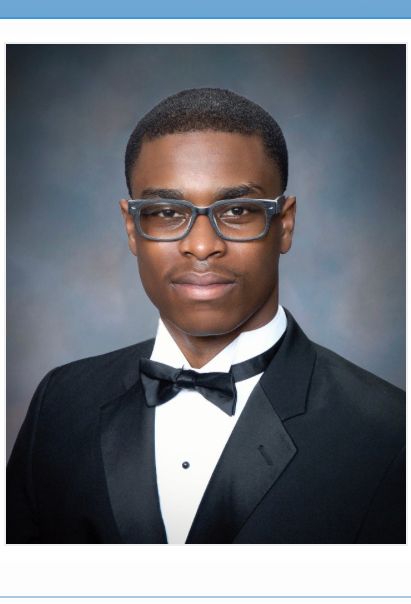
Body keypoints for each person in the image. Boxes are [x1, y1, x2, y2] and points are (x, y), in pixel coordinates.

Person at [7, 88, 405, 544]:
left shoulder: (390, 434)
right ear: (132, 228)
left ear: (285, 223)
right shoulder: (60, 405)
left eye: (236, 210)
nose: (201, 246)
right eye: (166, 212)